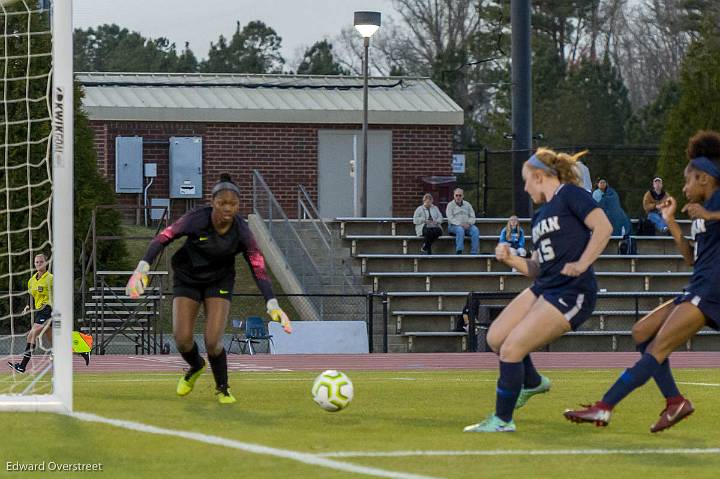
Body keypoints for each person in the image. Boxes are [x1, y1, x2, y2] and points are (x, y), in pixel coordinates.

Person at [564, 130, 720, 433]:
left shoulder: (714, 203)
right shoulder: (701, 210)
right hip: (698, 284)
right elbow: (690, 258)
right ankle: (675, 401)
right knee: (641, 332)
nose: (684, 188)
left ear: (703, 178)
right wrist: (673, 220)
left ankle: (604, 407)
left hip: (712, 290)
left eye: (688, 180)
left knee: (657, 348)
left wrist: (710, 215)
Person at [463, 148, 612, 433]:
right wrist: (511, 259)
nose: (525, 187)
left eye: (526, 180)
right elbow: (537, 268)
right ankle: (532, 382)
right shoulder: (541, 215)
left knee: (511, 349)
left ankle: (502, 420)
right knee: (496, 337)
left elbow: (603, 227)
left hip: (572, 291)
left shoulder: (570, 194)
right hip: (546, 285)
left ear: (540, 176)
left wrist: (582, 263)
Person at [125, 174, 292, 404]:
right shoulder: (196, 219)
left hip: (219, 282)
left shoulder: (242, 231)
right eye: (222, 203)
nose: (227, 208)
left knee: (213, 341)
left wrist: (272, 303)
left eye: (233, 204)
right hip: (187, 278)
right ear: (213, 202)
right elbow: (163, 237)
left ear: (238, 206)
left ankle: (222, 388)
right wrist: (142, 268)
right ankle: (195, 366)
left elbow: (257, 265)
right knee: (182, 339)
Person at [8, 253, 53, 373]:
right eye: (36, 262)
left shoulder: (51, 278)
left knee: (32, 334)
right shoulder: (32, 280)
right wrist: (28, 305)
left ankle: (22, 366)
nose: (38, 264)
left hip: (49, 310)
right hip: (40, 311)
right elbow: (31, 295)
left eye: (41, 262)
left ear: (46, 263)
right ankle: (80, 351)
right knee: (54, 340)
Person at [446, 188, 480, 255]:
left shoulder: (467, 204)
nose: (458, 197)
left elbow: (473, 216)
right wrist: (460, 224)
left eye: (460, 195)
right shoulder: (450, 205)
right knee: (460, 230)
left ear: (463, 196)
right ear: (454, 196)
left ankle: (474, 253)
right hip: (453, 226)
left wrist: (469, 223)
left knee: (475, 230)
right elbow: (450, 218)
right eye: (456, 195)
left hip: (467, 225)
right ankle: (459, 251)